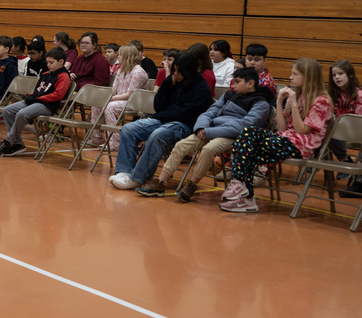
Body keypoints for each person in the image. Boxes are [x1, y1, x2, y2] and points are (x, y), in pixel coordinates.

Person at [135, 67, 272, 200]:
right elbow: (209, 112)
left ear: (250, 83)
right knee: (181, 145)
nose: (233, 85)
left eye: (237, 82)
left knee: (208, 149)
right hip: (208, 131)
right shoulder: (229, 95)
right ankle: (161, 182)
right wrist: (201, 127)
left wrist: (209, 132)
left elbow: (242, 126)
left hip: (233, 137)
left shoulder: (261, 103)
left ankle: (192, 184)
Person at [219, 58, 332, 213]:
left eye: (295, 74)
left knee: (248, 149)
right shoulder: (298, 97)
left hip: (301, 145)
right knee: (247, 133)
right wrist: (279, 102)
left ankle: (246, 197)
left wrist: (292, 103)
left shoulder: (322, 101)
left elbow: (300, 131)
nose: (290, 77)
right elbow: (282, 128)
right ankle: (241, 187)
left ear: (308, 76)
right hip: (286, 138)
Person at [109, 52, 213, 190]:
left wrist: (163, 114)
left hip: (184, 125)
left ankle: (137, 178)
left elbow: (185, 114)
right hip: (163, 120)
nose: (175, 73)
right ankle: (124, 172)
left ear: (188, 71)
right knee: (129, 129)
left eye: (178, 71)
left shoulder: (202, 89)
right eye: (174, 70)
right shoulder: (174, 81)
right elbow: (158, 106)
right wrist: (166, 84)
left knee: (158, 134)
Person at [0, 48, 71, 157]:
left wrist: (38, 98)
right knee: (7, 110)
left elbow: (58, 95)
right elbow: (38, 90)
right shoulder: (46, 73)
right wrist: (31, 96)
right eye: (47, 62)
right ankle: (18, 144)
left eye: (51, 63)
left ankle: (9, 141)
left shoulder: (64, 77)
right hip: (35, 101)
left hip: (47, 105)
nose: (48, 65)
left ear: (61, 62)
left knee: (22, 114)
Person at [90, 44, 148, 149]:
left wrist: (110, 99)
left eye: (120, 55)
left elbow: (130, 95)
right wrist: (105, 97)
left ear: (127, 56)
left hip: (134, 102)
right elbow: (114, 89)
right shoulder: (121, 70)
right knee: (97, 104)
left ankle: (115, 142)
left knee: (109, 107)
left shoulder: (138, 72)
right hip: (121, 100)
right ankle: (96, 138)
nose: (118, 57)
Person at [327, 60, 362, 195]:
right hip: (338, 134)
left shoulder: (360, 96)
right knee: (322, 128)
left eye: (340, 73)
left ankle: (360, 184)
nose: (337, 77)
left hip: (358, 134)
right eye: (334, 75)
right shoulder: (333, 95)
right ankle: (344, 160)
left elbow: (361, 125)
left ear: (350, 75)